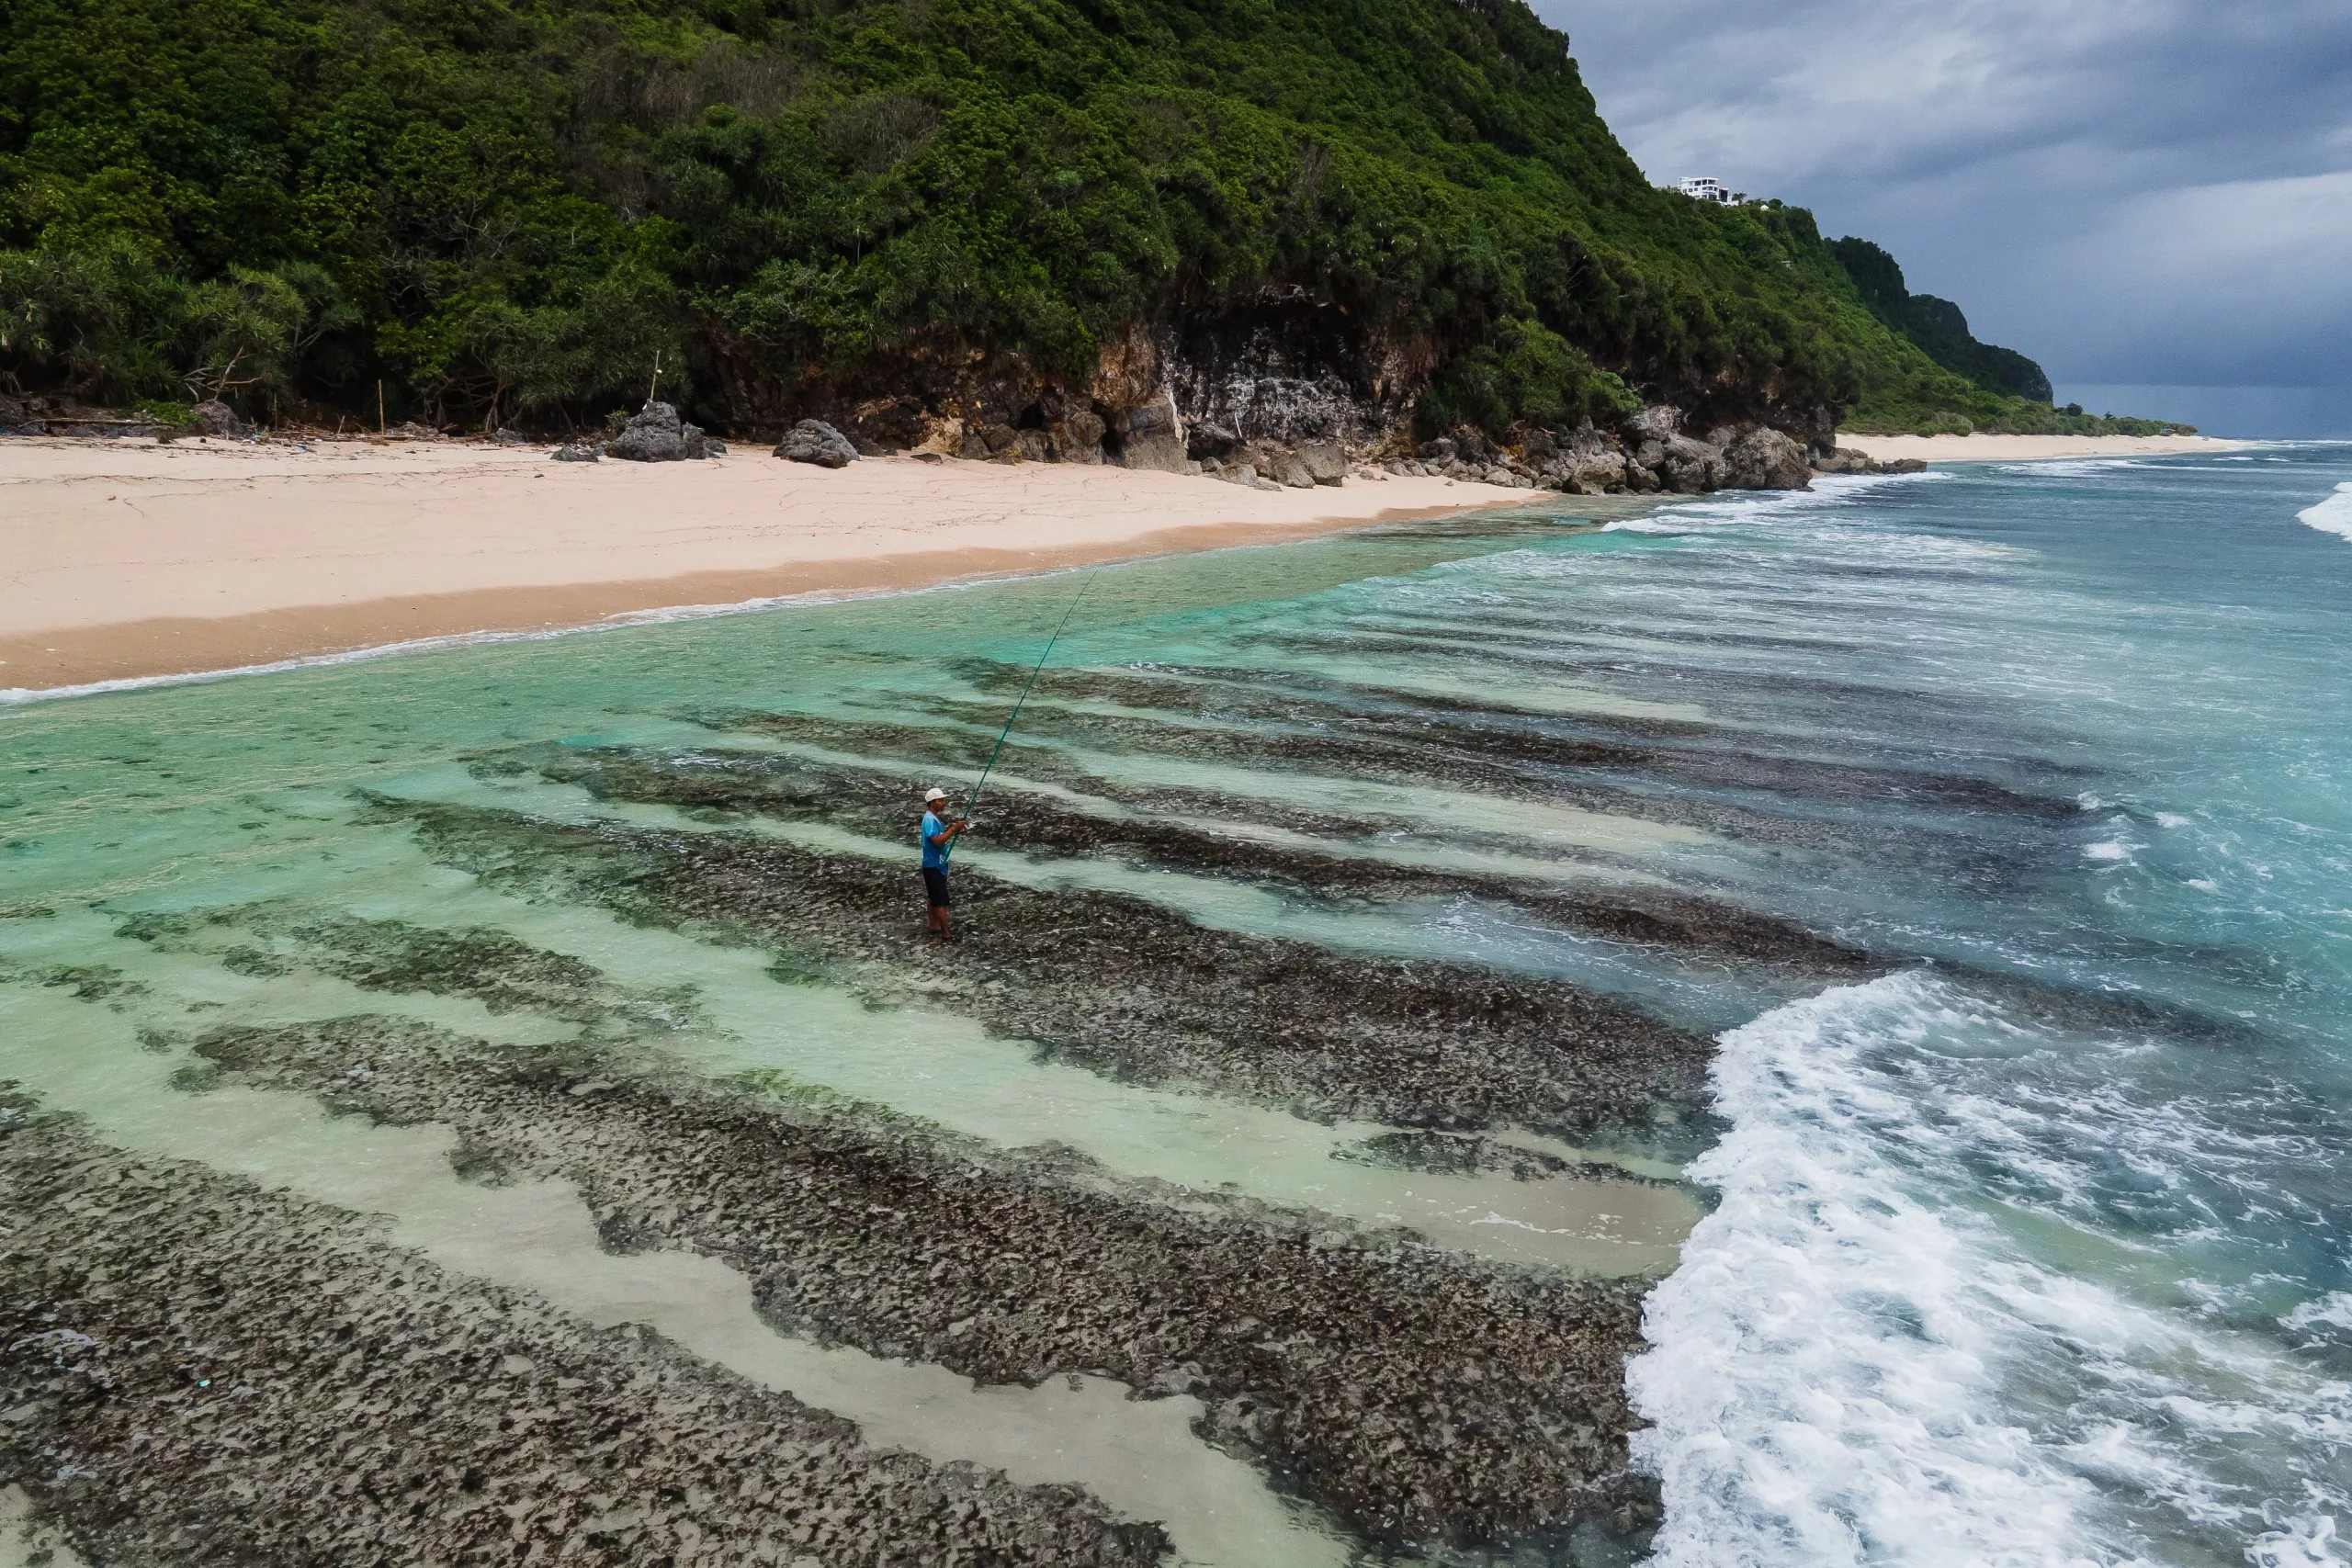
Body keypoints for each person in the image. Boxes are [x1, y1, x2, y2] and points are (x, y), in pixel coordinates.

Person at [918, 787, 967, 938]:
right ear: (933, 802)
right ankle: (946, 933)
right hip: (933, 865)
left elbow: (940, 837)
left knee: (933, 897)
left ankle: (933, 925)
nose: (943, 803)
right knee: (939, 900)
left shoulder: (933, 818)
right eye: (941, 800)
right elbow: (937, 840)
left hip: (936, 864)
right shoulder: (930, 820)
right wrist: (953, 829)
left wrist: (953, 830)